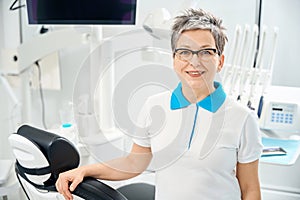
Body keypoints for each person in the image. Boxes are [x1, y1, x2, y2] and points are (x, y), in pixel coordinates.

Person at [56, 8, 263, 200]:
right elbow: (133, 163)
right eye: (185, 52)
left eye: (206, 52)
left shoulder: (242, 119)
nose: (195, 61)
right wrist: (84, 170)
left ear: (220, 61)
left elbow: (249, 188)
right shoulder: (155, 106)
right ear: (174, 59)